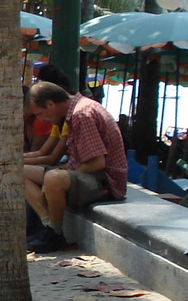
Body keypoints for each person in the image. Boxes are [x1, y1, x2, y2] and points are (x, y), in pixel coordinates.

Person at [23, 81, 128, 253]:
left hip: (105, 182)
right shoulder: (75, 112)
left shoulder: (82, 114)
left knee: (54, 178)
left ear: (50, 104)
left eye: (41, 114)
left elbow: (97, 163)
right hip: (88, 176)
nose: (42, 120)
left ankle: (55, 233)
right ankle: (47, 223)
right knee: (19, 172)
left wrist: (62, 177)